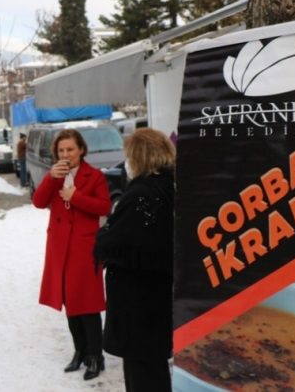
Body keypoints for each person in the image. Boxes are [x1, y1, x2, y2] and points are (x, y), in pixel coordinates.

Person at [93, 128, 175, 392]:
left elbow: (114, 241)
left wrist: (104, 234)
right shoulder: (169, 187)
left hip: (138, 303)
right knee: (154, 369)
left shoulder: (141, 194)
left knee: (141, 374)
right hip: (159, 296)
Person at [31, 129, 111, 381]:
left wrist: (76, 197)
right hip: (59, 248)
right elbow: (38, 201)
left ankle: (96, 356)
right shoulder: (54, 175)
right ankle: (80, 351)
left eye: (70, 150)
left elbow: (104, 207)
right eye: (61, 150)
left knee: (86, 305)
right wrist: (50, 180)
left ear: (82, 150)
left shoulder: (95, 176)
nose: (65, 155)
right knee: (69, 303)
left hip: (84, 249)